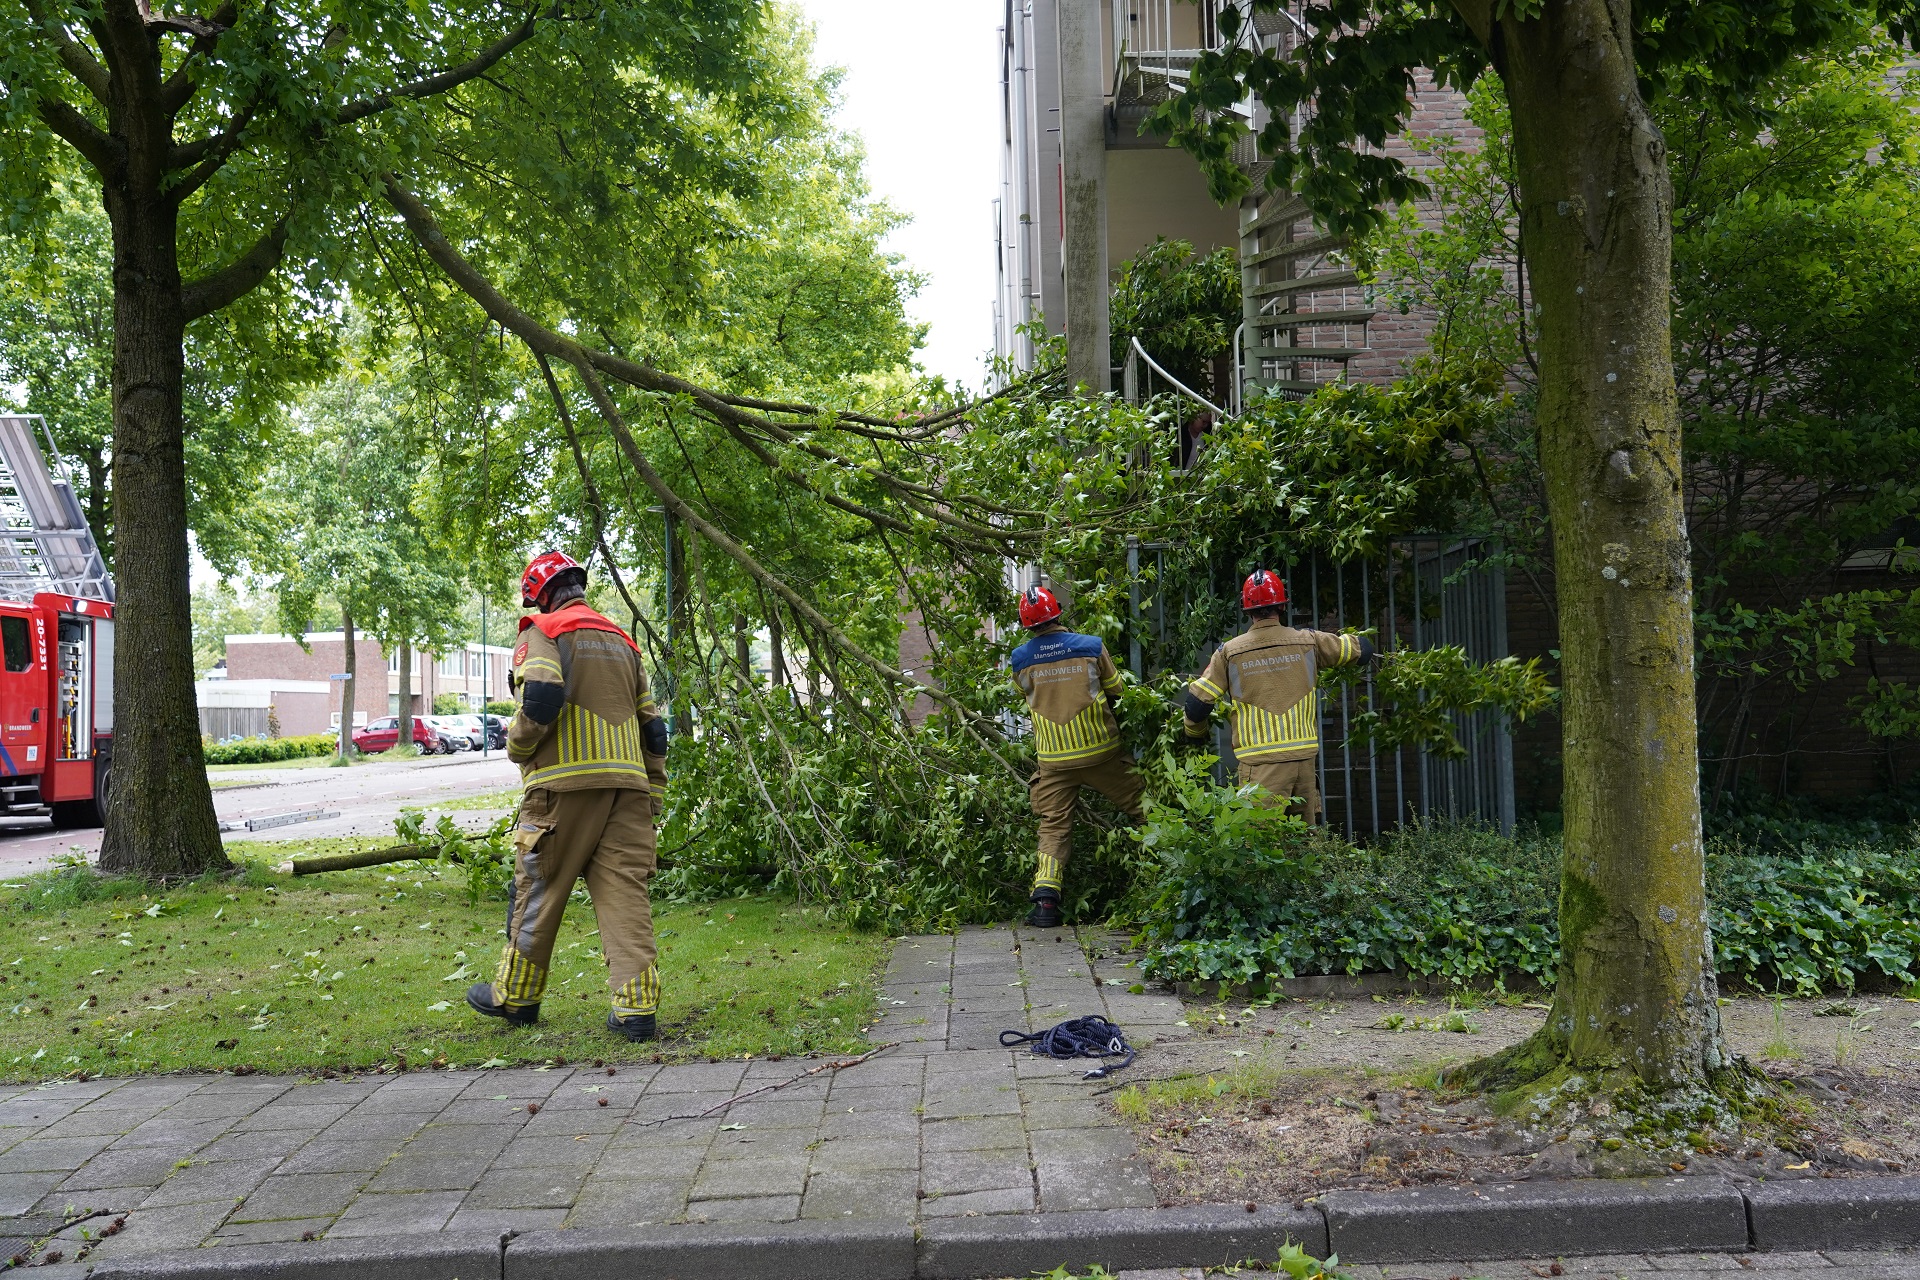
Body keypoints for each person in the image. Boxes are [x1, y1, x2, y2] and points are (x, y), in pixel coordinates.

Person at [466, 550, 671, 1041]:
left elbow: (541, 697)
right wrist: (654, 792)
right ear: (578, 586)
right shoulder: (625, 642)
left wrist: (518, 746)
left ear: (539, 595)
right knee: (625, 897)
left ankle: (516, 999)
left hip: (562, 790)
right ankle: (636, 1010)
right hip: (628, 790)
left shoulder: (544, 631)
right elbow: (655, 729)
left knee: (538, 890)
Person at [1181, 568, 1375, 820]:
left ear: (1247, 610)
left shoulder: (1230, 652)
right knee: (1303, 846)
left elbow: (1196, 706)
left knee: (1260, 848)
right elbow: (1363, 650)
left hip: (1261, 767)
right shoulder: (1309, 641)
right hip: (1303, 764)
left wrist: (1194, 735)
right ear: (1282, 606)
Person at [1010, 584, 1145, 928]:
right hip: (1102, 752)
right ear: (1058, 613)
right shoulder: (1091, 647)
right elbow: (1119, 693)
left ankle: (1045, 905)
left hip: (1054, 761)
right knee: (1146, 808)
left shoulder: (1020, 659)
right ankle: (1178, 873)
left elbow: (1026, 696)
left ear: (1028, 624)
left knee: (1053, 827)